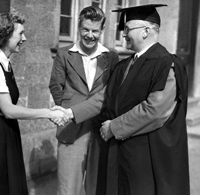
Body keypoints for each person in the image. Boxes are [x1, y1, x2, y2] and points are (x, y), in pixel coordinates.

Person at [98, 4, 190, 195]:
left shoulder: (167, 64)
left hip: (145, 158)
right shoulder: (124, 65)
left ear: (146, 31)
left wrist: (113, 127)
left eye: (127, 29)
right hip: (119, 154)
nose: (123, 34)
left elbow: (155, 110)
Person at [0, 12, 67, 195]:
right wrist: (49, 113)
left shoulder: (4, 64)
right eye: (20, 33)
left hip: (7, 132)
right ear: (5, 35)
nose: (25, 38)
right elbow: (9, 110)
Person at [49, 6, 119, 195]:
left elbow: (111, 91)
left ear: (101, 31)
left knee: (97, 187)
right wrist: (65, 110)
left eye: (95, 31)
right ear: (78, 28)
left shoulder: (111, 56)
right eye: (85, 29)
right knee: (67, 188)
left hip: (100, 128)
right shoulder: (65, 54)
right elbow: (56, 86)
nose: (90, 35)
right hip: (71, 128)